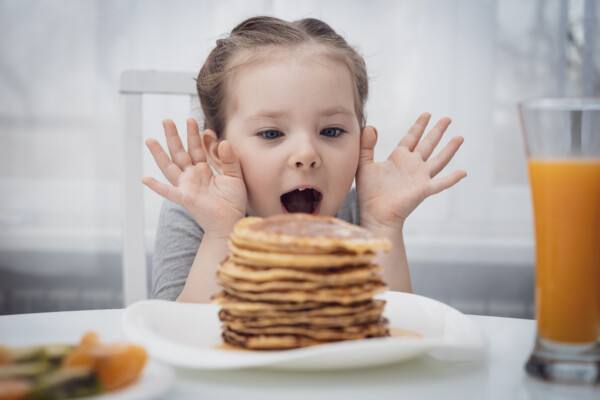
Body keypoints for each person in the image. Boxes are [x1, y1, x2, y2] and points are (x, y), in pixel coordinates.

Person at [142, 16, 466, 303]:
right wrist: (220, 235)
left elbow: (393, 333)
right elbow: (177, 336)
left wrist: (384, 227)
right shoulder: (194, 215)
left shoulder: (362, 216)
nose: (307, 155)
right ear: (217, 151)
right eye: (271, 134)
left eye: (332, 131)